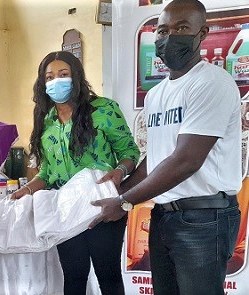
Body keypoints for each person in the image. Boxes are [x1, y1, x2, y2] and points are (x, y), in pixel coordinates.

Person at [90, 1, 242, 294]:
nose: (170, 36)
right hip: (164, 215)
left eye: (181, 28)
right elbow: (159, 157)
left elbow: (186, 160)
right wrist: (117, 190)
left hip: (204, 217)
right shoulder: (156, 95)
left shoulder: (211, 83)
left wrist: (125, 202)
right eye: (162, 30)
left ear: (202, 33)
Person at [11, 51, 140, 295]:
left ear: (76, 77)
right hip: (65, 211)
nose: (56, 81)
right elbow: (48, 172)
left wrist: (120, 171)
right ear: (42, 82)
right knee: (73, 277)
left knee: (108, 274)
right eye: (49, 77)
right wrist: (26, 190)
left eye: (63, 74)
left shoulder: (103, 109)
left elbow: (130, 151)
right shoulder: (46, 119)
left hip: (102, 206)